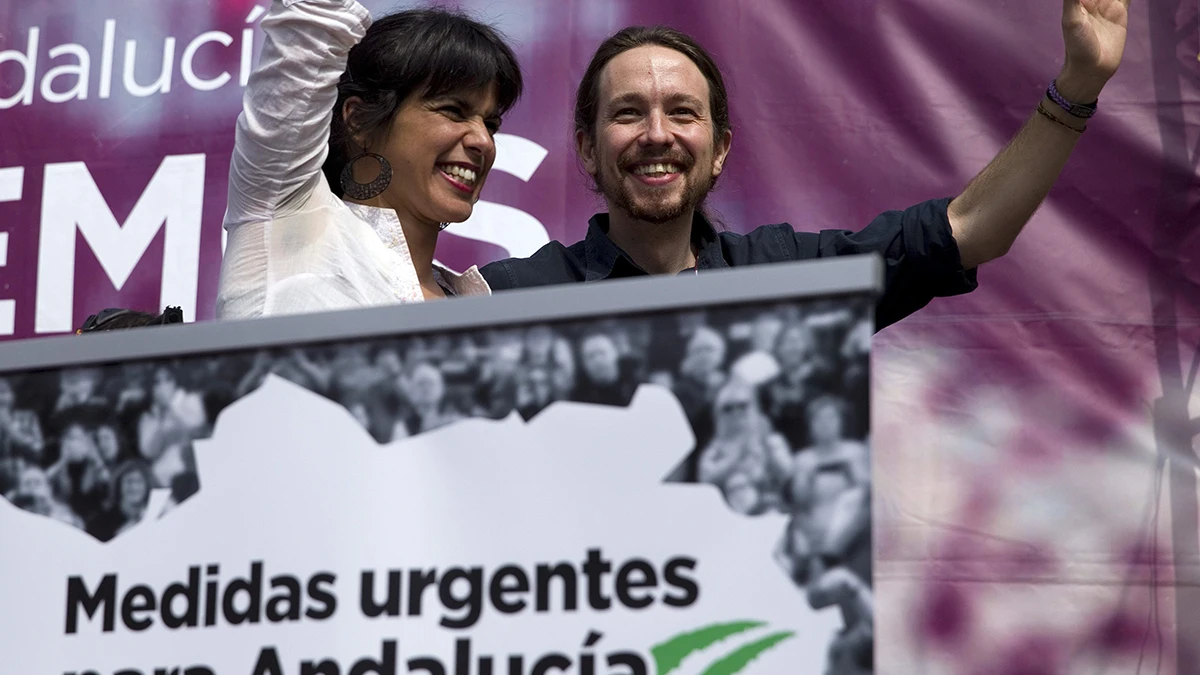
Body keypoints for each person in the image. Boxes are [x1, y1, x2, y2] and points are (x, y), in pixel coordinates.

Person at [481, 0, 1130, 330]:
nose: (657, 135)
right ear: (588, 147)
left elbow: (972, 229)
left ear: (721, 148)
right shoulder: (510, 297)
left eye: (682, 112)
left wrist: (1076, 85)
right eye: (628, 113)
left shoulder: (785, 278)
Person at [217, 0, 523, 319]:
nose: (483, 141)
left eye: (491, 125)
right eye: (453, 111)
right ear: (360, 120)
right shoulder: (286, 216)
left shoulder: (476, 306)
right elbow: (311, 18)